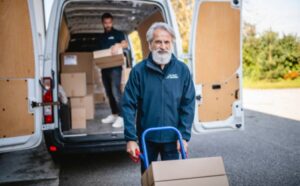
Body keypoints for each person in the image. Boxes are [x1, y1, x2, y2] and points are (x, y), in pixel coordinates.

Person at [122, 22, 195, 173]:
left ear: (171, 44)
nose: (163, 46)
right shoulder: (138, 71)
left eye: (167, 42)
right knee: (149, 179)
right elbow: (129, 105)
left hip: (173, 138)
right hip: (147, 139)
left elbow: (188, 104)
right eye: (158, 42)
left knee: (171, 180)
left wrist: (184, 137)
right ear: (150, 44)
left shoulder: (182, 70)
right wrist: (130, 139)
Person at [99, 13, 128, 128]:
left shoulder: (118, 34)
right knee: (109, 93)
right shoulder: (100, 37)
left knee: (116, 92)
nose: (107, 25)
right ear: (103, 23)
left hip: (115, 68)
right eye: (105, 23)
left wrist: (118, 45)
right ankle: (114, 114)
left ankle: (122, 117)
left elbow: (125, 44)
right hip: (104, 68)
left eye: (109, 22)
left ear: (112, 22)